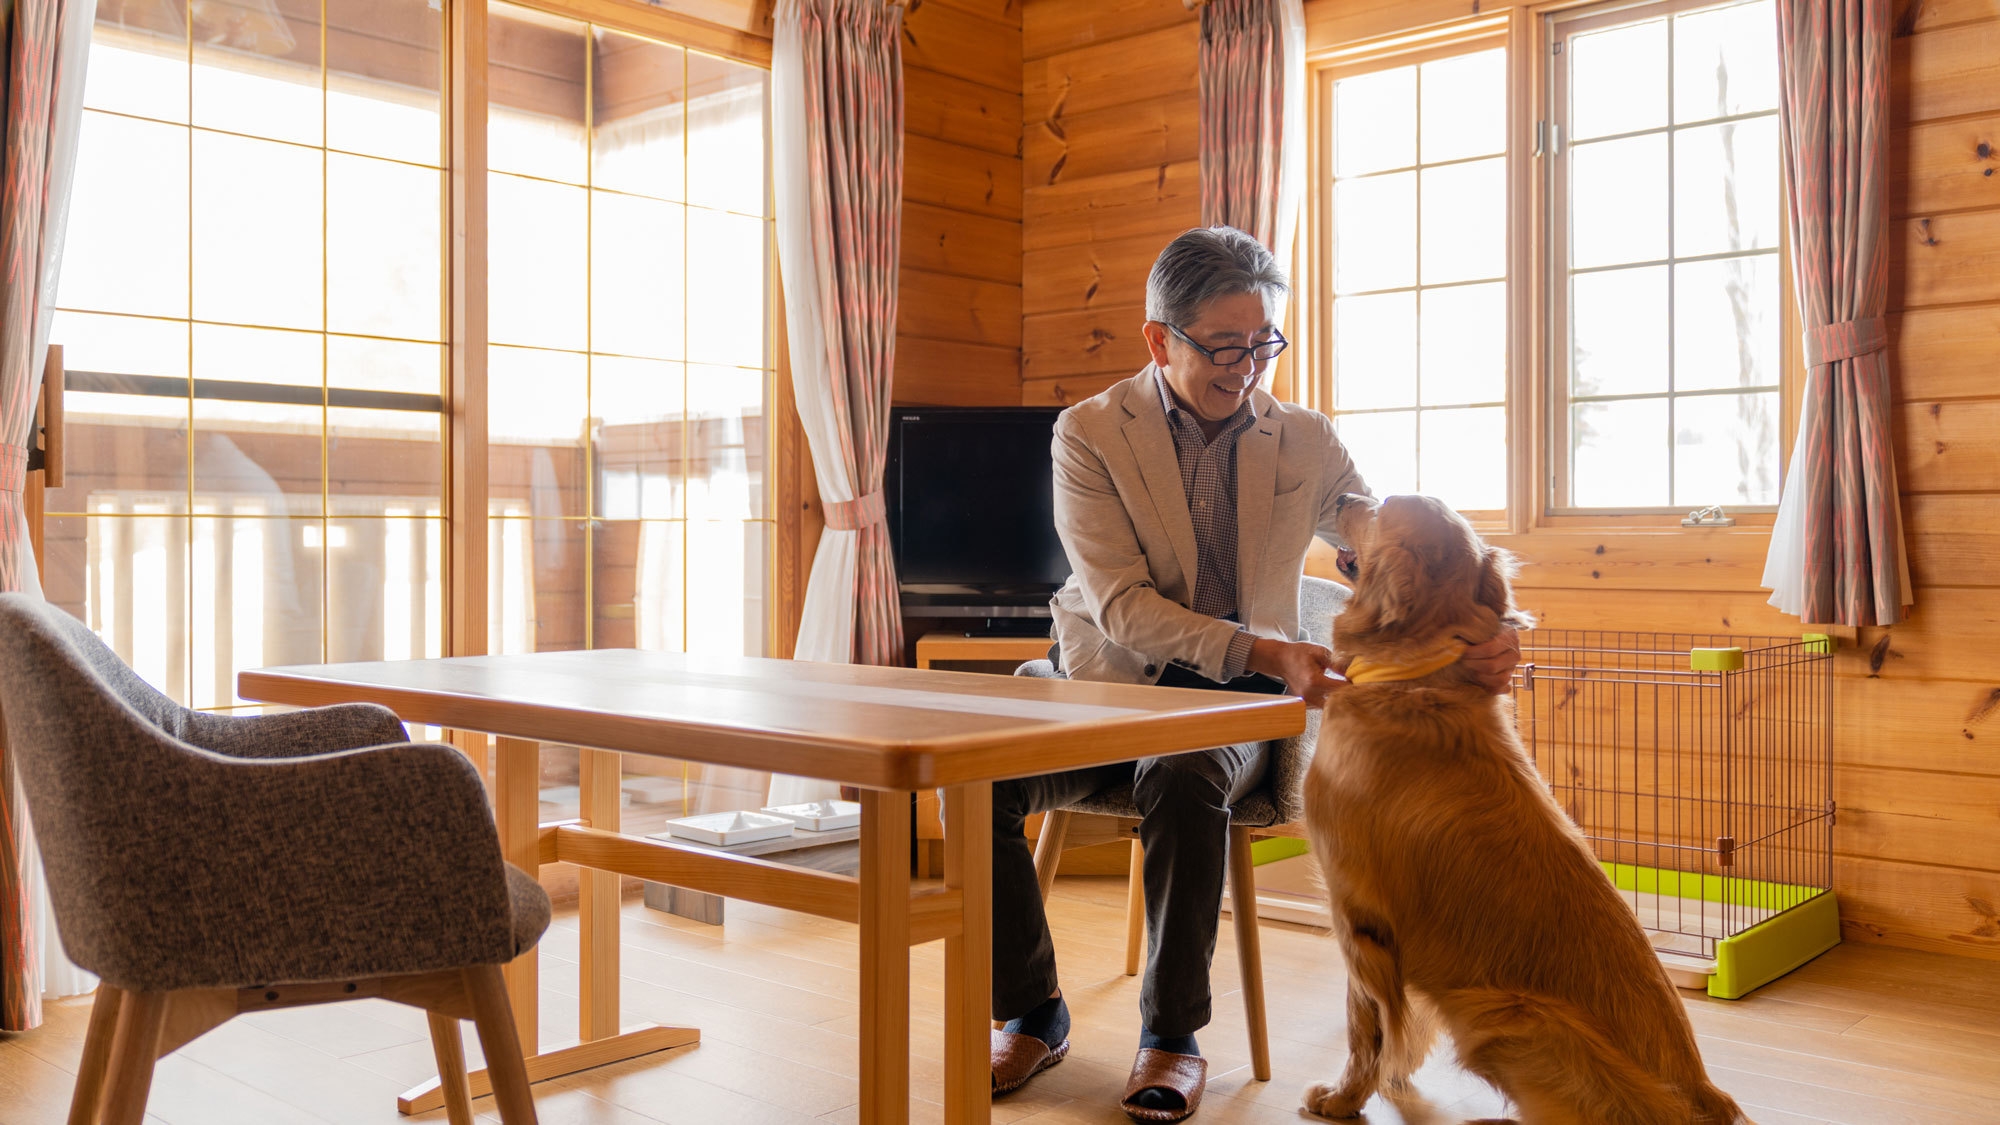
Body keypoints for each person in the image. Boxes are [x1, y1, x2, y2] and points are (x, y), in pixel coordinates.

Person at [986, 226, 1520, 1122]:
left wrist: (1481, 612)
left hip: (1233, 704)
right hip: (1100, 678)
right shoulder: (1087, 434)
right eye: (1225, 347)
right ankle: (1033, 1008)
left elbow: (1372, 526)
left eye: (1264, 342)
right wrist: (1271, 648)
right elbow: (1120, 607)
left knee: (1186, 771)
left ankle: (1172, 1037)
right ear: (1161, 339)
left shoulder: (1302, 436)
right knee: (979, 773)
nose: (1249, 367)